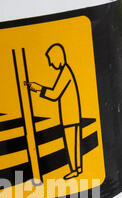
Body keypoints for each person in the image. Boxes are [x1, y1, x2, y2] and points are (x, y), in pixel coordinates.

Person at [28, 44, 82, 180]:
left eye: (51, 59)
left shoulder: (65, 73)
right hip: (72, 114)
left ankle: (75, 170)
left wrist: (38, 88)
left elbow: (54, 94)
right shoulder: (66, 71)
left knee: (71, 142)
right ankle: (78, 167)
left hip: (70, 115)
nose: (51, 63)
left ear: (58, 57)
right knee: (74, 142)